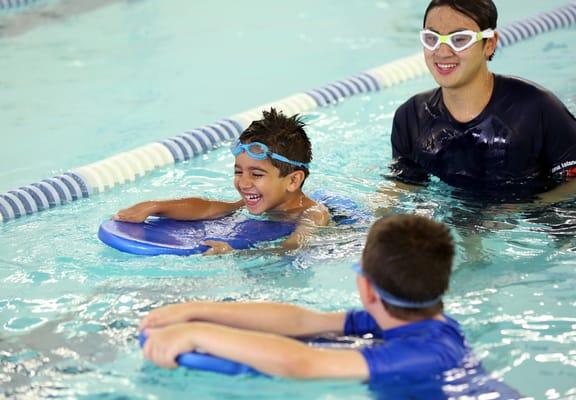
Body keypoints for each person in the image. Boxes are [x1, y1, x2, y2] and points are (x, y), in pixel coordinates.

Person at [140, 215, 508, 396]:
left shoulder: (426, 353)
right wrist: (196, 310)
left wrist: (197, 334)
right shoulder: (416, 323)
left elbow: (301, 362)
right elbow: (304, 320)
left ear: (365, 288)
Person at [388, 0, 576, 201]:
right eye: (431, 38)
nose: (442, 52)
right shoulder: (411, 118)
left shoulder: (536, 108)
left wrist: (520, 209)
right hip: (462, 214)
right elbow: (404, 187)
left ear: (490, 44)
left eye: (459, 39)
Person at [113, 108, 329, 254]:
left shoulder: (313, 214)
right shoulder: (267, 201)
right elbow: (209, 208)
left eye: (256, 174)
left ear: (293, 180)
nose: (243, 183)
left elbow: (291, 249)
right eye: (238, 171)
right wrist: (155, 206)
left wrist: (236, 254)